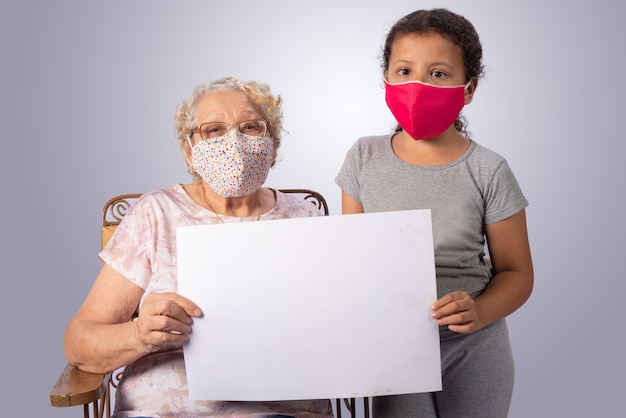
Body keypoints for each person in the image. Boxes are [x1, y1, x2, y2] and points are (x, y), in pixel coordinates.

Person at [64, 76, 333, 418]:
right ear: (189, 151)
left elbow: (348, 322)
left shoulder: (306, 218)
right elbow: (78, 342)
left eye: (250, 127)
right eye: (213, 131)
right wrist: (141, 335)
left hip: (280, 410)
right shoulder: (156, 213)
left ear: (273, 146)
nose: (232, 141)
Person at [335, 8, 533, 418]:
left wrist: (479, 312)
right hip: (395, 341)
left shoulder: (488, 169)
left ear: (469, 88)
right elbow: (350, 259)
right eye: (404, 70)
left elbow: (518, 273)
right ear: (386, 79)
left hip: (475, 346)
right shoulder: (363, 157)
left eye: (438, 73)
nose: (417, 85)